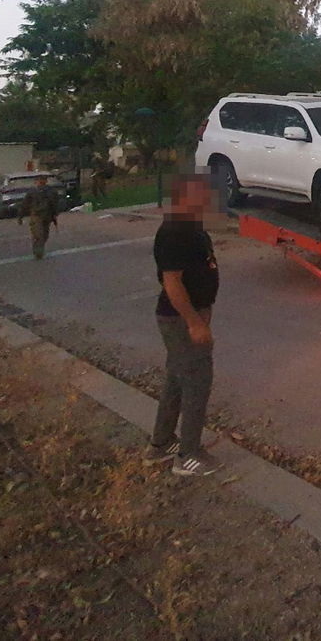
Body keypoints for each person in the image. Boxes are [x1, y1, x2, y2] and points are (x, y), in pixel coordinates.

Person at [144, 173, 221, 477]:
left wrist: (204, 310)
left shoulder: (192, 226)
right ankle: (189, 455)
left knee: (177, 380)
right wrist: (194, 323)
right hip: (179, 320)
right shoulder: (175, 231)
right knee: (197, 381)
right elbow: (172, 282)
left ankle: (161, 444)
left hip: (189, 317)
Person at [19, 174, 61, 260]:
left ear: (46, 181)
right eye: (39, 180)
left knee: (44, 235)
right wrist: (20, 216)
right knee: (38, 234)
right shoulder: (32, 192)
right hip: (36, 215)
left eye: (43, 180)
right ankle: (38, 252)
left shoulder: (51, 191)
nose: (41, 182)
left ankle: (39, 249)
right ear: (36, 182)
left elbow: (55, 203)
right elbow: (25, 204)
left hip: (47, 215)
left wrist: (55, 214)